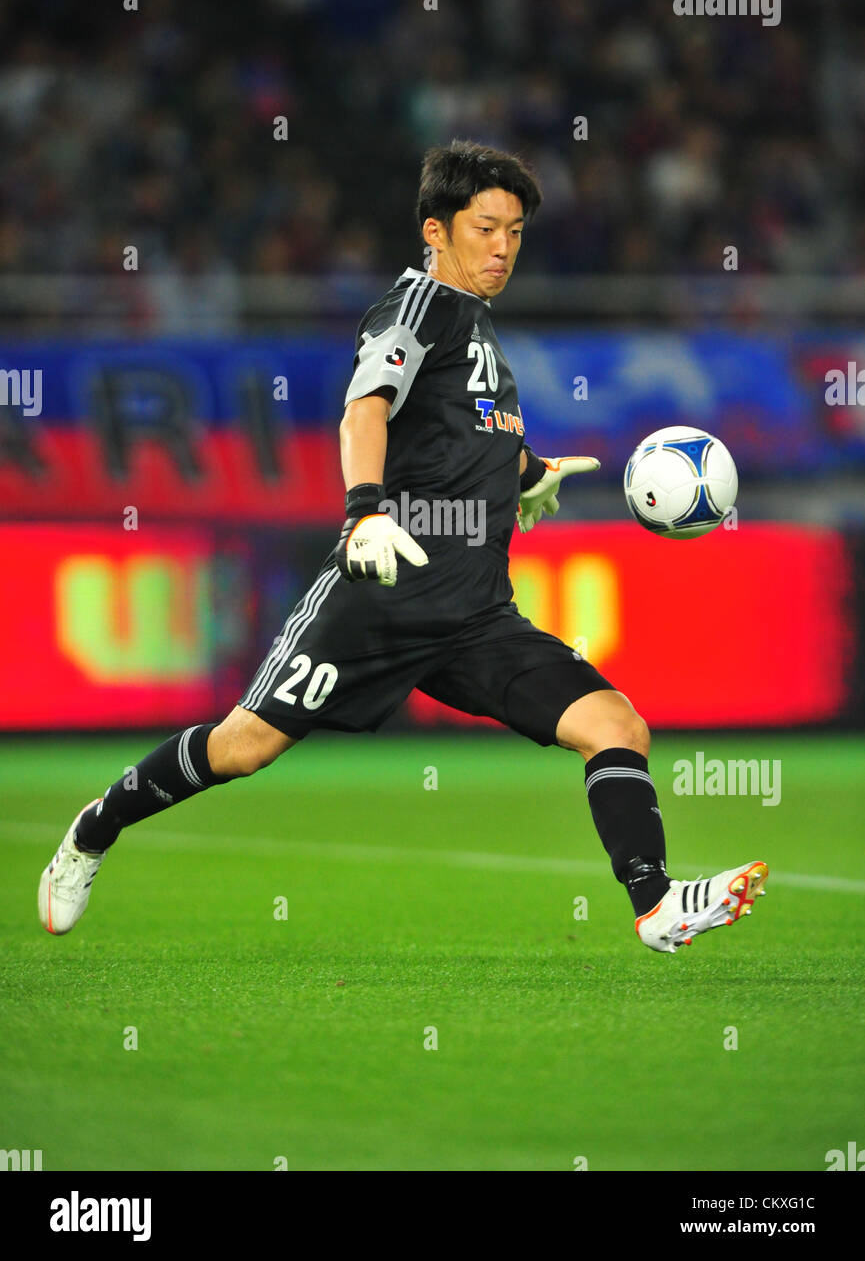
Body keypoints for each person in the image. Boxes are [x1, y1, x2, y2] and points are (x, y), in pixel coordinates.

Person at [39, 139, 768, 952]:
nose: (502, 248)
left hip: (474, 616)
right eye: (485, 228)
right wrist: (363, 512)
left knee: (616, 726)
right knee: (244, 748)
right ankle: (94, 829)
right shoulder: (414, 308)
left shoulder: (481, 334)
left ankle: (656, 902)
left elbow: (462, 433)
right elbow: (366, 410)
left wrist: (528, 471)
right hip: (378, 595)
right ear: (436, 230)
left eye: (516, 231)